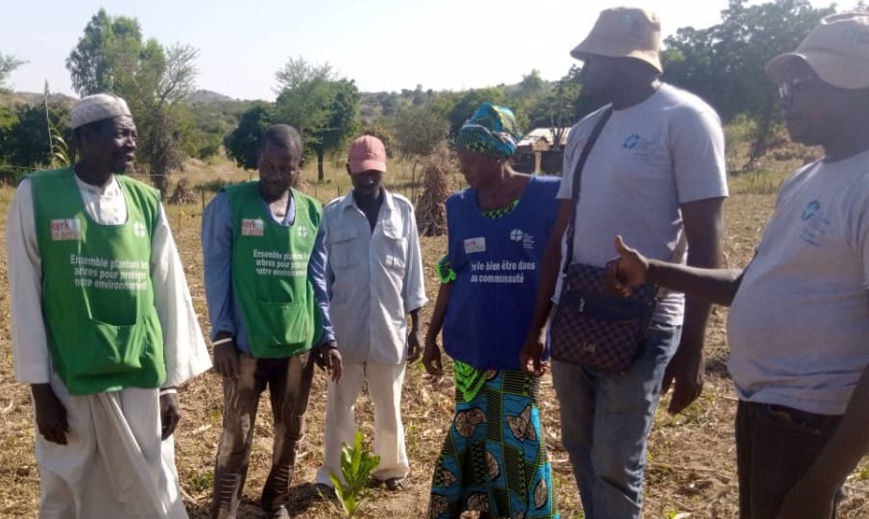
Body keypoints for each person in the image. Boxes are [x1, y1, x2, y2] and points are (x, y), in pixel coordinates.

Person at [608, 12, 869, 519]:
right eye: (784, 86)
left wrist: (823, 481)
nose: (785, 98)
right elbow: (750, 285)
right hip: (765, 410)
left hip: (810, 421)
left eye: (802, 84)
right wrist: (653, 271)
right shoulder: (806, 179)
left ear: (858, 88)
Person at [520, 7, 729, 518]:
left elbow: (707, 243)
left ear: (628, 60)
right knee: (581, 449)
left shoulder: (686, 119)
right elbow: (560, 235)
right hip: (577, 312)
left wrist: (693, 348)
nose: (585, 68)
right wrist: (540, 324)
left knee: (616, 465)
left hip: (644, 320)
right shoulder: (586, 131)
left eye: (594, 58)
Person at [6, 93, 211, 519]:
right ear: (85, 138)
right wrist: (41, 391)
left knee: (150, 479)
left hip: (140, 371)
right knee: (71, 480)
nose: (132, 142)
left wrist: (169, 386)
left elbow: (168, 292)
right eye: (121, 134)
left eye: (134, 134)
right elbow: (24, 295)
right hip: (70, 376)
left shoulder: (146, 201)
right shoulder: (37, 195)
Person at [423, 103, 560, 519]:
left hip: (522, 348)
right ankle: (485, 508)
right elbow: (452, 274)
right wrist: (431, 336)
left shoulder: (548, 196)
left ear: (497, 154)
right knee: (475, 434)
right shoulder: (459, 205)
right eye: (460, 160)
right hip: (471, 347)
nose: (463, 169)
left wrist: (543, 331)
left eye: (470, 160)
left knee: (518, 438)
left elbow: (558, 269)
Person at [201, 124, 343, 519]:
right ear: (258, 160)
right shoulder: (230, 204)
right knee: (237, 431)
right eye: (268, 166)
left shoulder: (312, 212)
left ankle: (275, 500)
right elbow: (216, 272)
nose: (276, 175)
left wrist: (327, 338)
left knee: (290, 430)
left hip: (298, 344)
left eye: (286, 168)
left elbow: (318, 279)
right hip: (246, 346)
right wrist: (222, 335)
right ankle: (225, 507)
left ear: (299, 167)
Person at [314, 135, 428, 492]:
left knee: (389, 404)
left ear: (384, 169)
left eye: (374, 171)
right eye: (361, 171)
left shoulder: (403, 211)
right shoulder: (332, 214)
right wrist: (323, 336)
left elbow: (413, 273)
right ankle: (336, 474)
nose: (367, 178)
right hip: (344, 329)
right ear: (348, 170)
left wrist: (417, 328)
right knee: (339, 406)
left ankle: (390, 469)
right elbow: (322, 279)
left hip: (389, 326)